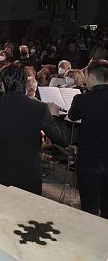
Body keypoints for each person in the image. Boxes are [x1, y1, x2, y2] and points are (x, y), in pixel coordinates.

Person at [0, 63, 64, 195]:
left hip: (1, 168)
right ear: (24, 83)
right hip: (29, 172)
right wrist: (55, 116)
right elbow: (60, 139)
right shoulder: (40, 108)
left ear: (3, 84)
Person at [68, 60, 108, 218]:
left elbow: (72, 116)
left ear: (91, 75)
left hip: (90, 160)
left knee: (89, 207)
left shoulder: (83, 99)